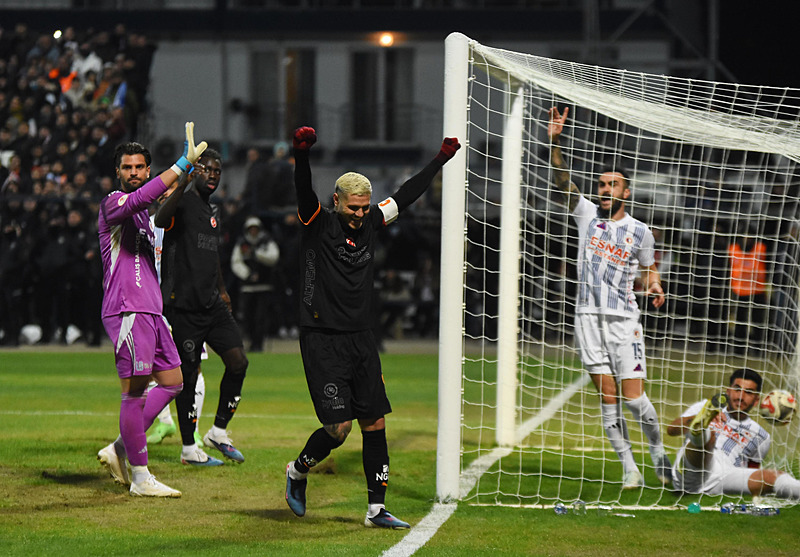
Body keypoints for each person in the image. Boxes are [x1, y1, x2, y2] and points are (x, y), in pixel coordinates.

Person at [283, 126, 460, 529]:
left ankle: (376, 509)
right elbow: (302, 190)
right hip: (321, 337)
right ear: (336, 202)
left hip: (361, 337)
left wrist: (440, 160)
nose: (360, 215)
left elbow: (406, 196)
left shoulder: (371, 223)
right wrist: (302, 154)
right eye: (353, 208)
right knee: (339, 428)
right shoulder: (317, 222)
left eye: (365, 208)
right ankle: (297, 470)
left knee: (375, 421)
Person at [547, 106, 670, 488]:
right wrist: (554, 142)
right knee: (609, 398)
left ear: (625, 191)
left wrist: (654, 283)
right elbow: (563, 181)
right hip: (586, 317)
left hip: (623, 321)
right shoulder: (586, 215)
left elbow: (650, 267)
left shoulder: (640, 231)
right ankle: (629, 468)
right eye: (601, 184)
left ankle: (658, 453)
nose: (604, 189)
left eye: (612, 184)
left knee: (634, 399)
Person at [96, 122, 207, 497]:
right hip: (127, 308)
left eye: (138, 167)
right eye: (126, 167)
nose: (132, 173)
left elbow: (162, 201)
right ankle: (141, 478)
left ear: (146, 168)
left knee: (174, 382)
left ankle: (120, 448)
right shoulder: (114, 203)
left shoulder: (145, 214)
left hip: (152, 311)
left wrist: (187, 174)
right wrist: (180, 163)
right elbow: (147, 195)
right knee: (135, 392)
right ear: (118, 172)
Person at [155, 147, 249, 466]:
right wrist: (181, 181)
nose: (213, 175)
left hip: (212, 305)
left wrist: (222, 289)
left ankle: (217, 432)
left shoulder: (212, 211)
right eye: (207, 169)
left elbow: (212, 256)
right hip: (184, 307)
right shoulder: (181, 202)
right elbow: (160, 218)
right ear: (196, 173)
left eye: (217, 171)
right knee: (189, 377)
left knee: (238, 362)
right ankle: (187, 449)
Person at [667, 368, 800, 500]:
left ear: (756, 400)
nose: (741, 396)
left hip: (725, 477)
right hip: (691, 470)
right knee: (708, 434)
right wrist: (699, 418)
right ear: (728, 391)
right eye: (737, 389)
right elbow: (671, 430)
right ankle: (700, 427)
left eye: (748, 392)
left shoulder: (761, 436)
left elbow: (751, 470)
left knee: (773, 477)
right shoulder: (705, 407)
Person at [230, 215, 281, 351]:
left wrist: (256, 254)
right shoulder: (242, 243)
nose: (253, 232)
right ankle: (252, 341)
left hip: (264, 286)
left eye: (255, 229)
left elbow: (273, 257)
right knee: (248, 316)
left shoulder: (266, 241)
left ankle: (259, 343)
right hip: (247, 287)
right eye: (251, 229)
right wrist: (247, 274)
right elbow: (236, 262)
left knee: (261, 317)